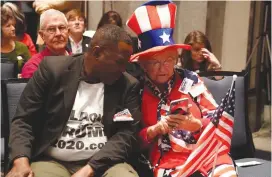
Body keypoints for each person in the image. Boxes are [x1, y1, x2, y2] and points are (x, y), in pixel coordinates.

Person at [7, 24, 141, 177]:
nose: (124, 69)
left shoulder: (127, 85)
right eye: (119, 62)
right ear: (97, 52)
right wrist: (21, 161)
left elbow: (126, 134)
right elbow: (24, 120)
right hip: (53, 160)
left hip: (105, 163)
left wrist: (90, 168)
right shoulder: (53, 71)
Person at [126, 1, 237, 177]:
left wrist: (197, 125)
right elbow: (130, 139)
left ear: (175, 59)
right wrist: (155, 130)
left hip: (206, 152)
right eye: (155, 62)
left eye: (168, 60)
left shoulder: (190, 79)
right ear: (144, 65)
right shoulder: (136, 90)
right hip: (169, 161)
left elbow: (217, 118)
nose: (163, 68)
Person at [21, 9, 70, 78]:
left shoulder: (78, 62)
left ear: (68, 32)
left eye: (61, 28)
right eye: (51, 29)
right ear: (42, 35)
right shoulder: (33, 66)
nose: (58, 34)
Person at [1, 6, 30, 71]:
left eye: (13, 25)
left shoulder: (22, 47)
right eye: (8, 26)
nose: (13, 28)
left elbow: (30, 71)